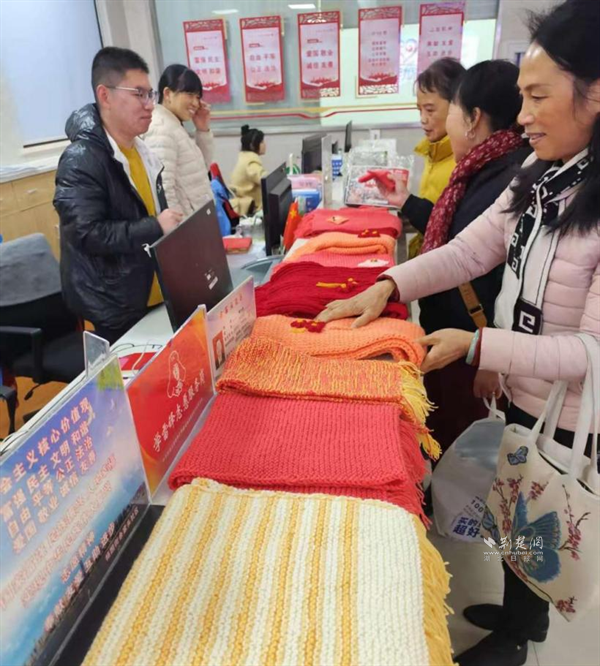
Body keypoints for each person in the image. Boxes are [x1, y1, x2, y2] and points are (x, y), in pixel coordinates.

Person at [317, 1, 600, 664]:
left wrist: (476, 345)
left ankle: (518, 640)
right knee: (516, 509)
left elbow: (591, 351)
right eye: (522, 97)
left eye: (538, 97)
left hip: (566, 412)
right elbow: (470, 250)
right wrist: (389, 286)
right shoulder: (542, 173)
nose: (522, 115)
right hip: (523, 391)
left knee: (542, 520)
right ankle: (517, 614)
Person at [384, 60, 530, 455]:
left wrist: (491, 357)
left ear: (473, 117)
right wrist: (390, 283)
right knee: (445, 432)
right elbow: (459, 245)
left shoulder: (508, 180)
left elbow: (506, 280)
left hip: (471, 348)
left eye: (445, 110)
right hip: (459, 338)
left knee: (460, 450)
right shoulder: (483, 169)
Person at [54, 47, 182, 344]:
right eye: (139, 94)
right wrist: (155, 226)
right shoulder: (81, 160)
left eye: (150, 94)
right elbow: (87, 233)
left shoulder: (142, 151)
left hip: (153, 293)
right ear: (105, 96)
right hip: (114, 306)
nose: (150, 105)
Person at [406, 57, 466, 257]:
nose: (423, 119)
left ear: (458, 106)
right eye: (419, 110)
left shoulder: (462, 161)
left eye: (430, 110)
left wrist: (407, 203)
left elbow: (449, 230)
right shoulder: (435, 151)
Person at [144, 64, 214, 216]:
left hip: (197, 220)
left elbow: (200, 171)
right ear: (167, 94)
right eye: (189, 94)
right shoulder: (161, 129)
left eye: (198, 97)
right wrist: (180, 228)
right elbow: (164, 192)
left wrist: (202, 129)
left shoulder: (173, 125)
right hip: (187, 225)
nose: (195, 103)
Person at [230, 125, 267, 215]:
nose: (265, 144)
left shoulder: (245, 157)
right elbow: (265, 180)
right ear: (252, 145)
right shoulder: (250, 163)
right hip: (249, 209)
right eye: (262, 142)